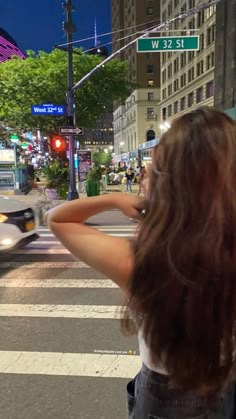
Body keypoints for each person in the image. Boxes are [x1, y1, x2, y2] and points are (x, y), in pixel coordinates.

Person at [46, 108, 236, 418]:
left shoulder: (141, 260)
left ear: (166, 179)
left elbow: (58, 219)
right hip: (226, 383)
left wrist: (114, 199)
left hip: (164, 397)